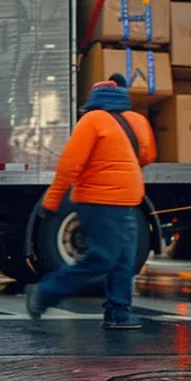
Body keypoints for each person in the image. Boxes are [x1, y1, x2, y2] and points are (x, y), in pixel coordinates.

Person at [27, 75, 155, 330]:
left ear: (94, 97)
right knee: (121, 260)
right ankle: (116, 312)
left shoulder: (91, 120)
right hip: (128, 198)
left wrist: (52, 200)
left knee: (104, 257)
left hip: (97, 200)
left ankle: (48, 294)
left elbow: (69, 164)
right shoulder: (138, 121)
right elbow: (148, 155)